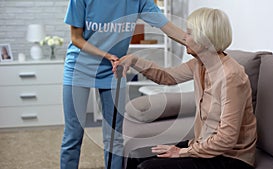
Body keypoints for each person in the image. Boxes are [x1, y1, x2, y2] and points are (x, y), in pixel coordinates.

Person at [114, 7, 257, 169]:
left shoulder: (231, 76)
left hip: (231, 158)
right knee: (136, 156)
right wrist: (134, 60)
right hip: (203, 146)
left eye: (189, 33)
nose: (184, 38)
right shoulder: (200, 64)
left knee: (148, 167)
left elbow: (227, 139)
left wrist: (182, 152)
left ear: (204, 39)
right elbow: (167, 76)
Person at [60, 0, 186, 169]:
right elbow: (76, 38)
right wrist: (105, 55)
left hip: (113, 69)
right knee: (73, 134)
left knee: (114, 136)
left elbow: (166, 25)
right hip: (79, 67)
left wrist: (193, 43)